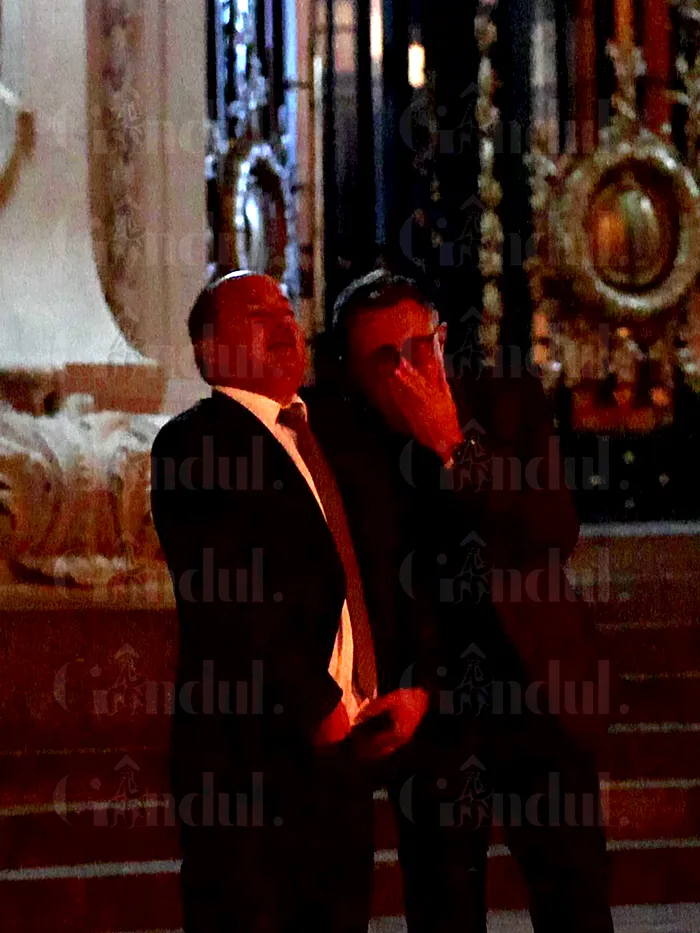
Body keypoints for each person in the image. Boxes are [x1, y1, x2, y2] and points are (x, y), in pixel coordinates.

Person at [309, 269, 615, 933]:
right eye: (384, 359)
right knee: (444, 905)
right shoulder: (341, 434)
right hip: (431, 709)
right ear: (355, 370)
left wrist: (454, 444)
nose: (407, 371)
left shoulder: (505, 399)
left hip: (536, 686)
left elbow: (552, 528)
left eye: (418, 348)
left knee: (576, 899)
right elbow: (374, 578)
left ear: (443, 339)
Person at [150, 271, 429, 933]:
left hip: (347, 752)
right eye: (257, 314)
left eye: (286, 310)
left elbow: (389, 563)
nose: (283, 323)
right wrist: (315, 702)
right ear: (211, 350)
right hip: (248, 761)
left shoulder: (333, 431)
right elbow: (229, 594)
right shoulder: (196, 443)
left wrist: (406, 682)